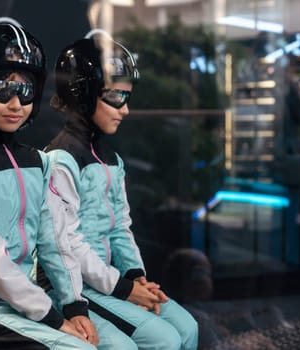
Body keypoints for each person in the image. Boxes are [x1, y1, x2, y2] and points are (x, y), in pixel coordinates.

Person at [0, 21, 133, 349]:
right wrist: (53, 318)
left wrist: (74, 306)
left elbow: (55, 240)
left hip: (28, 299)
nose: (15, 104)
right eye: (0, 89)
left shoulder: (39, 162)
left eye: (25, 90)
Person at [43, 30, 199, 350]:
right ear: (83, 94)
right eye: (116, 96)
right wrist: (125, 289)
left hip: (113, 281)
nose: (125, 109)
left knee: (189, 328)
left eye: (127, 97)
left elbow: (120, 227)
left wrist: (136, 276)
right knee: (165, 340)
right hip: (77, 287)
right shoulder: (60, 160)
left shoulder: (112, 159)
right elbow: (68, 245)